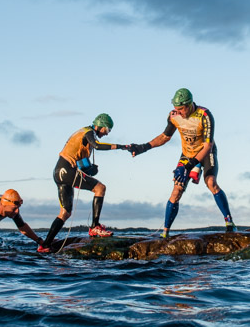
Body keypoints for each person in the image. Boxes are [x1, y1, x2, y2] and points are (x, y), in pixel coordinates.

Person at [125, 88, 234, 238]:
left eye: (181, 109)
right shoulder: (174, 116)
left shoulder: (205, 115)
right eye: (176, 109)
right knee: (176, 191)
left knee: (211, 182)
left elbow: (208, 146)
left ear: (189, 105)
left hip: (206, 152)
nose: (179, 112)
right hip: (187, 154)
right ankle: (165, 233)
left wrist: (189, 167)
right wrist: (144, 147)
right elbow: (165, 137)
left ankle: (229, 222)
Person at [38, 113, 129, 252]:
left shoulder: (84, 134)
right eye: (107, 130)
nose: (107, 133)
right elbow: (97, 146)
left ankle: (45, 245)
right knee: (100, 188)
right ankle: (95, 227)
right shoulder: (89, 132)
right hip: (66, 169)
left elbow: (83, 167)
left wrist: (91, 170)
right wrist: (121, 146)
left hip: (59, 171)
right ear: (100, 125)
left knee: (65, 213)